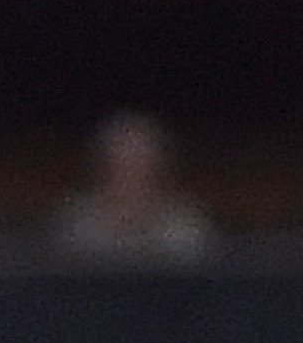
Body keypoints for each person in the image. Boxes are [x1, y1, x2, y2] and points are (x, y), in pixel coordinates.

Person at [48, 112, 213, 262]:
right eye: (120, 166)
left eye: (140, 166)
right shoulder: (78, 225)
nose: (130, 177)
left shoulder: (185, 225)